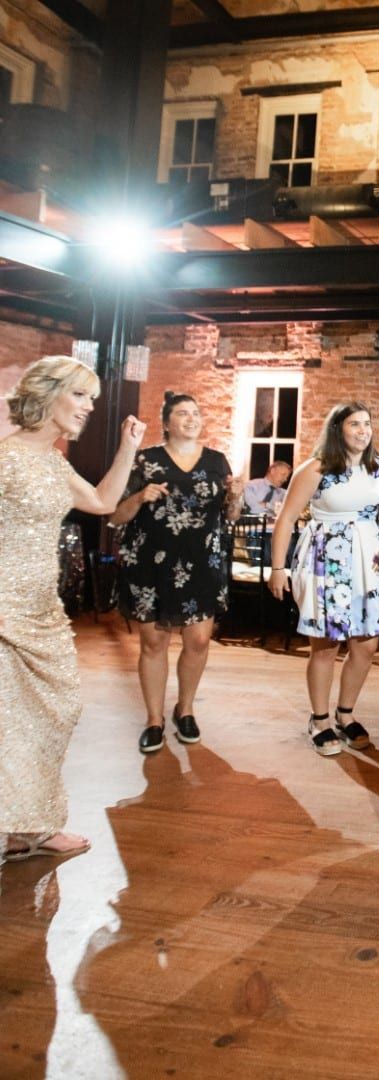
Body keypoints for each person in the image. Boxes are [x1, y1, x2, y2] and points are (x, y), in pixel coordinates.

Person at [1, 355, 145, 862]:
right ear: (48, 394)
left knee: (54, 713)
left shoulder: (54, 462)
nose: (88, 408)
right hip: (2, 610)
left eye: (92, 399)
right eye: (81, 396)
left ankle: (30, 822)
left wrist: (128, 447)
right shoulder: (5, 455)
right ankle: (18, 828)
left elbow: (106, 502)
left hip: (43, 608)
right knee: (7, 720)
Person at [269, 401, 379, 756]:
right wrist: (278, 569)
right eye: (355, 424)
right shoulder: (316, 469)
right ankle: (319, 719)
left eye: (367, 424)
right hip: (327, 560)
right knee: (326, 644)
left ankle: (345, 713)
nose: (363, 431)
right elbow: (287, 518)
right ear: (338, 429)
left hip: (370, 557)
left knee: (366, 644)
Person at [111, 392, 244, 754]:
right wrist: (139, 498)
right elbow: (115, 515)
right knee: (154, 643)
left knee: (198, 641)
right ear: (167, 422)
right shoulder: (145, 461)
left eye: (196, 413)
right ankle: (153, 719)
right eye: (182, 413)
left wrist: (237, 497)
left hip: (203, 563)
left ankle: (184, 709)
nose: (191, 419)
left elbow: (230, 516)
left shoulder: (217, 461)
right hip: (151, 564)